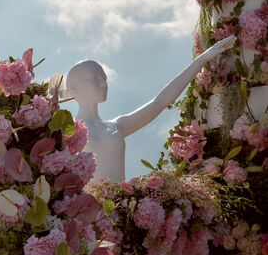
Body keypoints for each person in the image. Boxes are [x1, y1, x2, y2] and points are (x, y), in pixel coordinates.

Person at [65, 35, 237, 182]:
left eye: (104, 78)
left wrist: (201, 60)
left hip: (119, 212)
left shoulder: (116, 127)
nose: (103, 84)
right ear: (73, 88)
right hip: (85, 216)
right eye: (95, 79)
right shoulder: (64, 132)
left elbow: (160, 102)